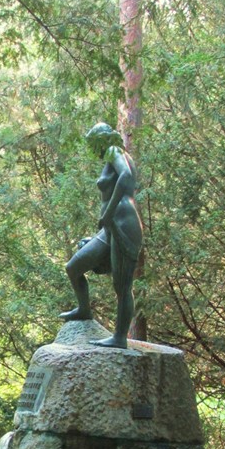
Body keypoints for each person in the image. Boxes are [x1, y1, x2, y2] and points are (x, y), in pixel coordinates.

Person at [60, 122, 144, 349]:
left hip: (124, 225)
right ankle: (84, 309)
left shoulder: (115, 151)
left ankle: (119, 338)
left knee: (122, 287)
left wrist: (108, 213)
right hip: (108, 229)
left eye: (93, 143)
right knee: (74, 267)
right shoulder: (111, 157)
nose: (92, 150)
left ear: (103, 139)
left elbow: (126, 176)